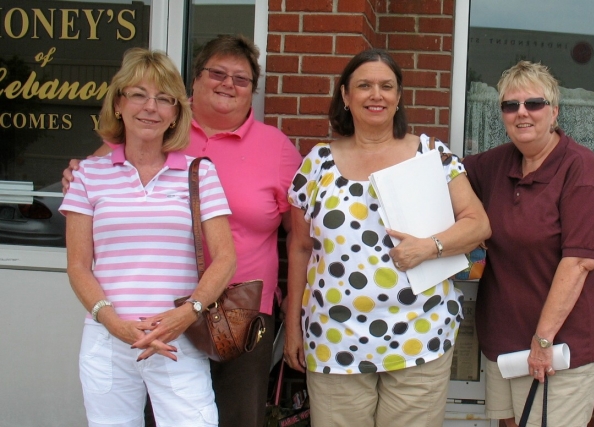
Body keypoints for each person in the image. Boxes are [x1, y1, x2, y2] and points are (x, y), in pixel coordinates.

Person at [63, 35, 302, 427]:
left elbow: (300, 237)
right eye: (217, 73)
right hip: (131, 322)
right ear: (193, 83)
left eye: (240, 79)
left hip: (231, 313)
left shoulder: (267, 150)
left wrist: (288, 310)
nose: (228, 84)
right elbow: (82, 246)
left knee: (225, 418)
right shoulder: (120, 151)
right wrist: (113, 321)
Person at [284, 48, 491, 427]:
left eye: (386, 86)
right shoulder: (317, 163)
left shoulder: (430, 155)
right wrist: (293, 325)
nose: (375, 94)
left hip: (419, 331)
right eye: (364, 85)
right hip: (334, 336)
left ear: (398, 98)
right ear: (346, 96)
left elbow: (478, 224)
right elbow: (299, 248)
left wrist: (430, 247)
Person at [60, 48, 236, 426]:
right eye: (138, 94)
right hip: (108, 340)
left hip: (179, 337)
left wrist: (186, 314)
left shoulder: (199, 173)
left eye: (164, 98)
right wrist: (114, 324)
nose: (150, 107)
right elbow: (77, 266)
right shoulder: (89, 175)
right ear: (119, 103)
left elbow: (225, 257)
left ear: (175, 112)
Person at [463, 61, 594, 426]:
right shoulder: (496, 164)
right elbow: (442, 176)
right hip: (504, 341)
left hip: (558, 349)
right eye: (510, 105)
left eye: (534, 103)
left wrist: (542, 342)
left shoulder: (580, 170)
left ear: (555, 111)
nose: (522, 113)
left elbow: (578, 263)